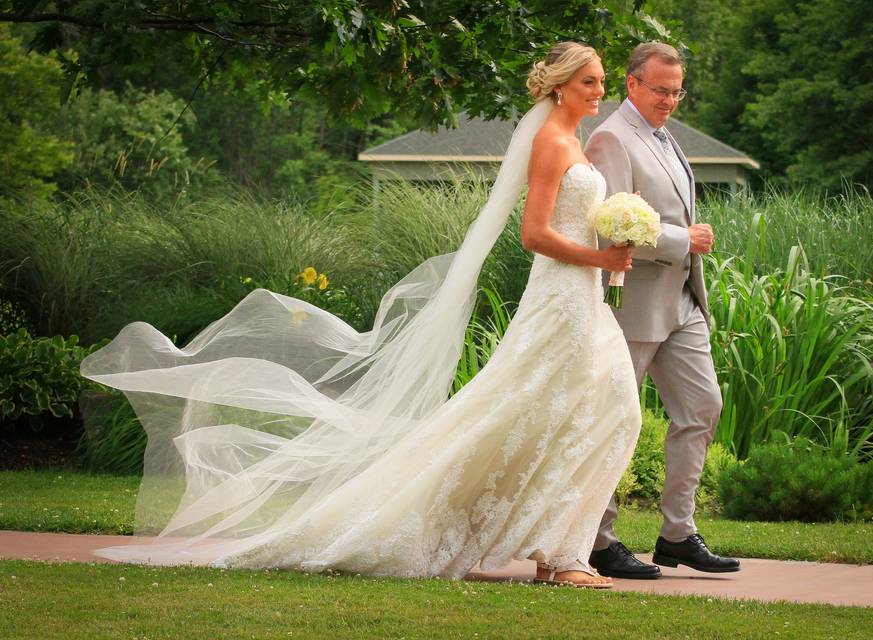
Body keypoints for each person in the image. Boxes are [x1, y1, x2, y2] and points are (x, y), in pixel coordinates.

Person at [81, 42, 641, 588]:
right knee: (568, 411)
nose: (599, 90)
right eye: (589, 81)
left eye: (600, 81)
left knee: (605, 412)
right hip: (560, 299)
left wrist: (614, 243)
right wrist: (602, 254)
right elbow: (534, 234)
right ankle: (561, 555)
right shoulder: (550, 141)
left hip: (584, 294)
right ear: (561, 85)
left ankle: (559, 548)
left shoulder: (574, 138)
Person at [584, 42, 740, 579]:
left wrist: (687, 245)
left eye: (676, 92)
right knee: (616, 422)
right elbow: (608, 225)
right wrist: (682, 238)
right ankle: (598, 540)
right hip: (635, 301)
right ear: (632, 84)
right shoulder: (611, 137)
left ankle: (677, 533)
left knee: (702, 408)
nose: (670, 100)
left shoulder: (665, 136)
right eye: (660, 90)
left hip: (684, 300)